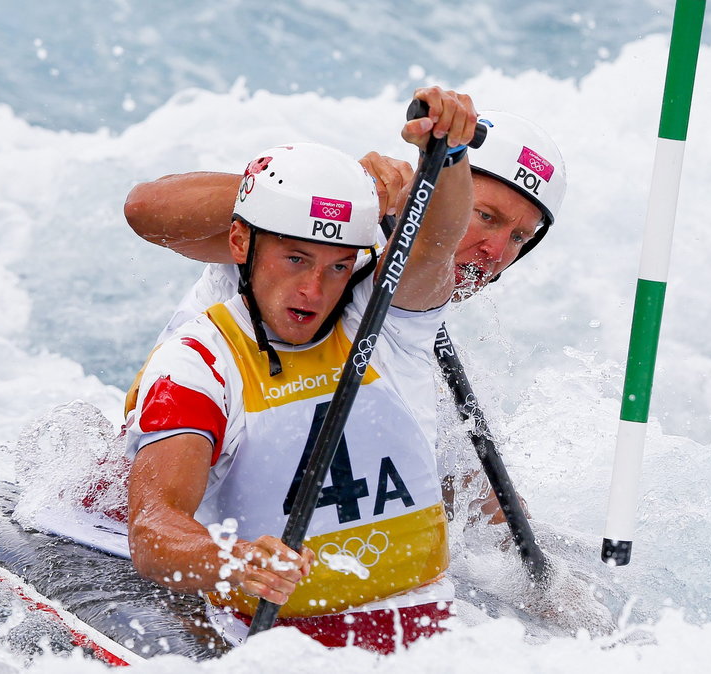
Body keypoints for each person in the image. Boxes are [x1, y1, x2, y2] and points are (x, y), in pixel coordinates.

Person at [121, 88, 479, 653]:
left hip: (438, 640)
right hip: (284, 647)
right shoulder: (197, 363)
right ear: (240, 242)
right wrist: (229, 561)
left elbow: (434, 242)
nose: (314, 291)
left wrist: (450, 154)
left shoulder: (384, 324)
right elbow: (153, 527)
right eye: (295, 259)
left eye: (338, 266)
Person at [124, 95, 568, 527]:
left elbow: (472, 492)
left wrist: (555, 582)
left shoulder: (415, 344)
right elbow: (144, 211)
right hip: (156, 479)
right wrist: (325, 191)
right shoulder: (305, 230)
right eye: (486, 217)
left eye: (518, 238)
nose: (495, 252)